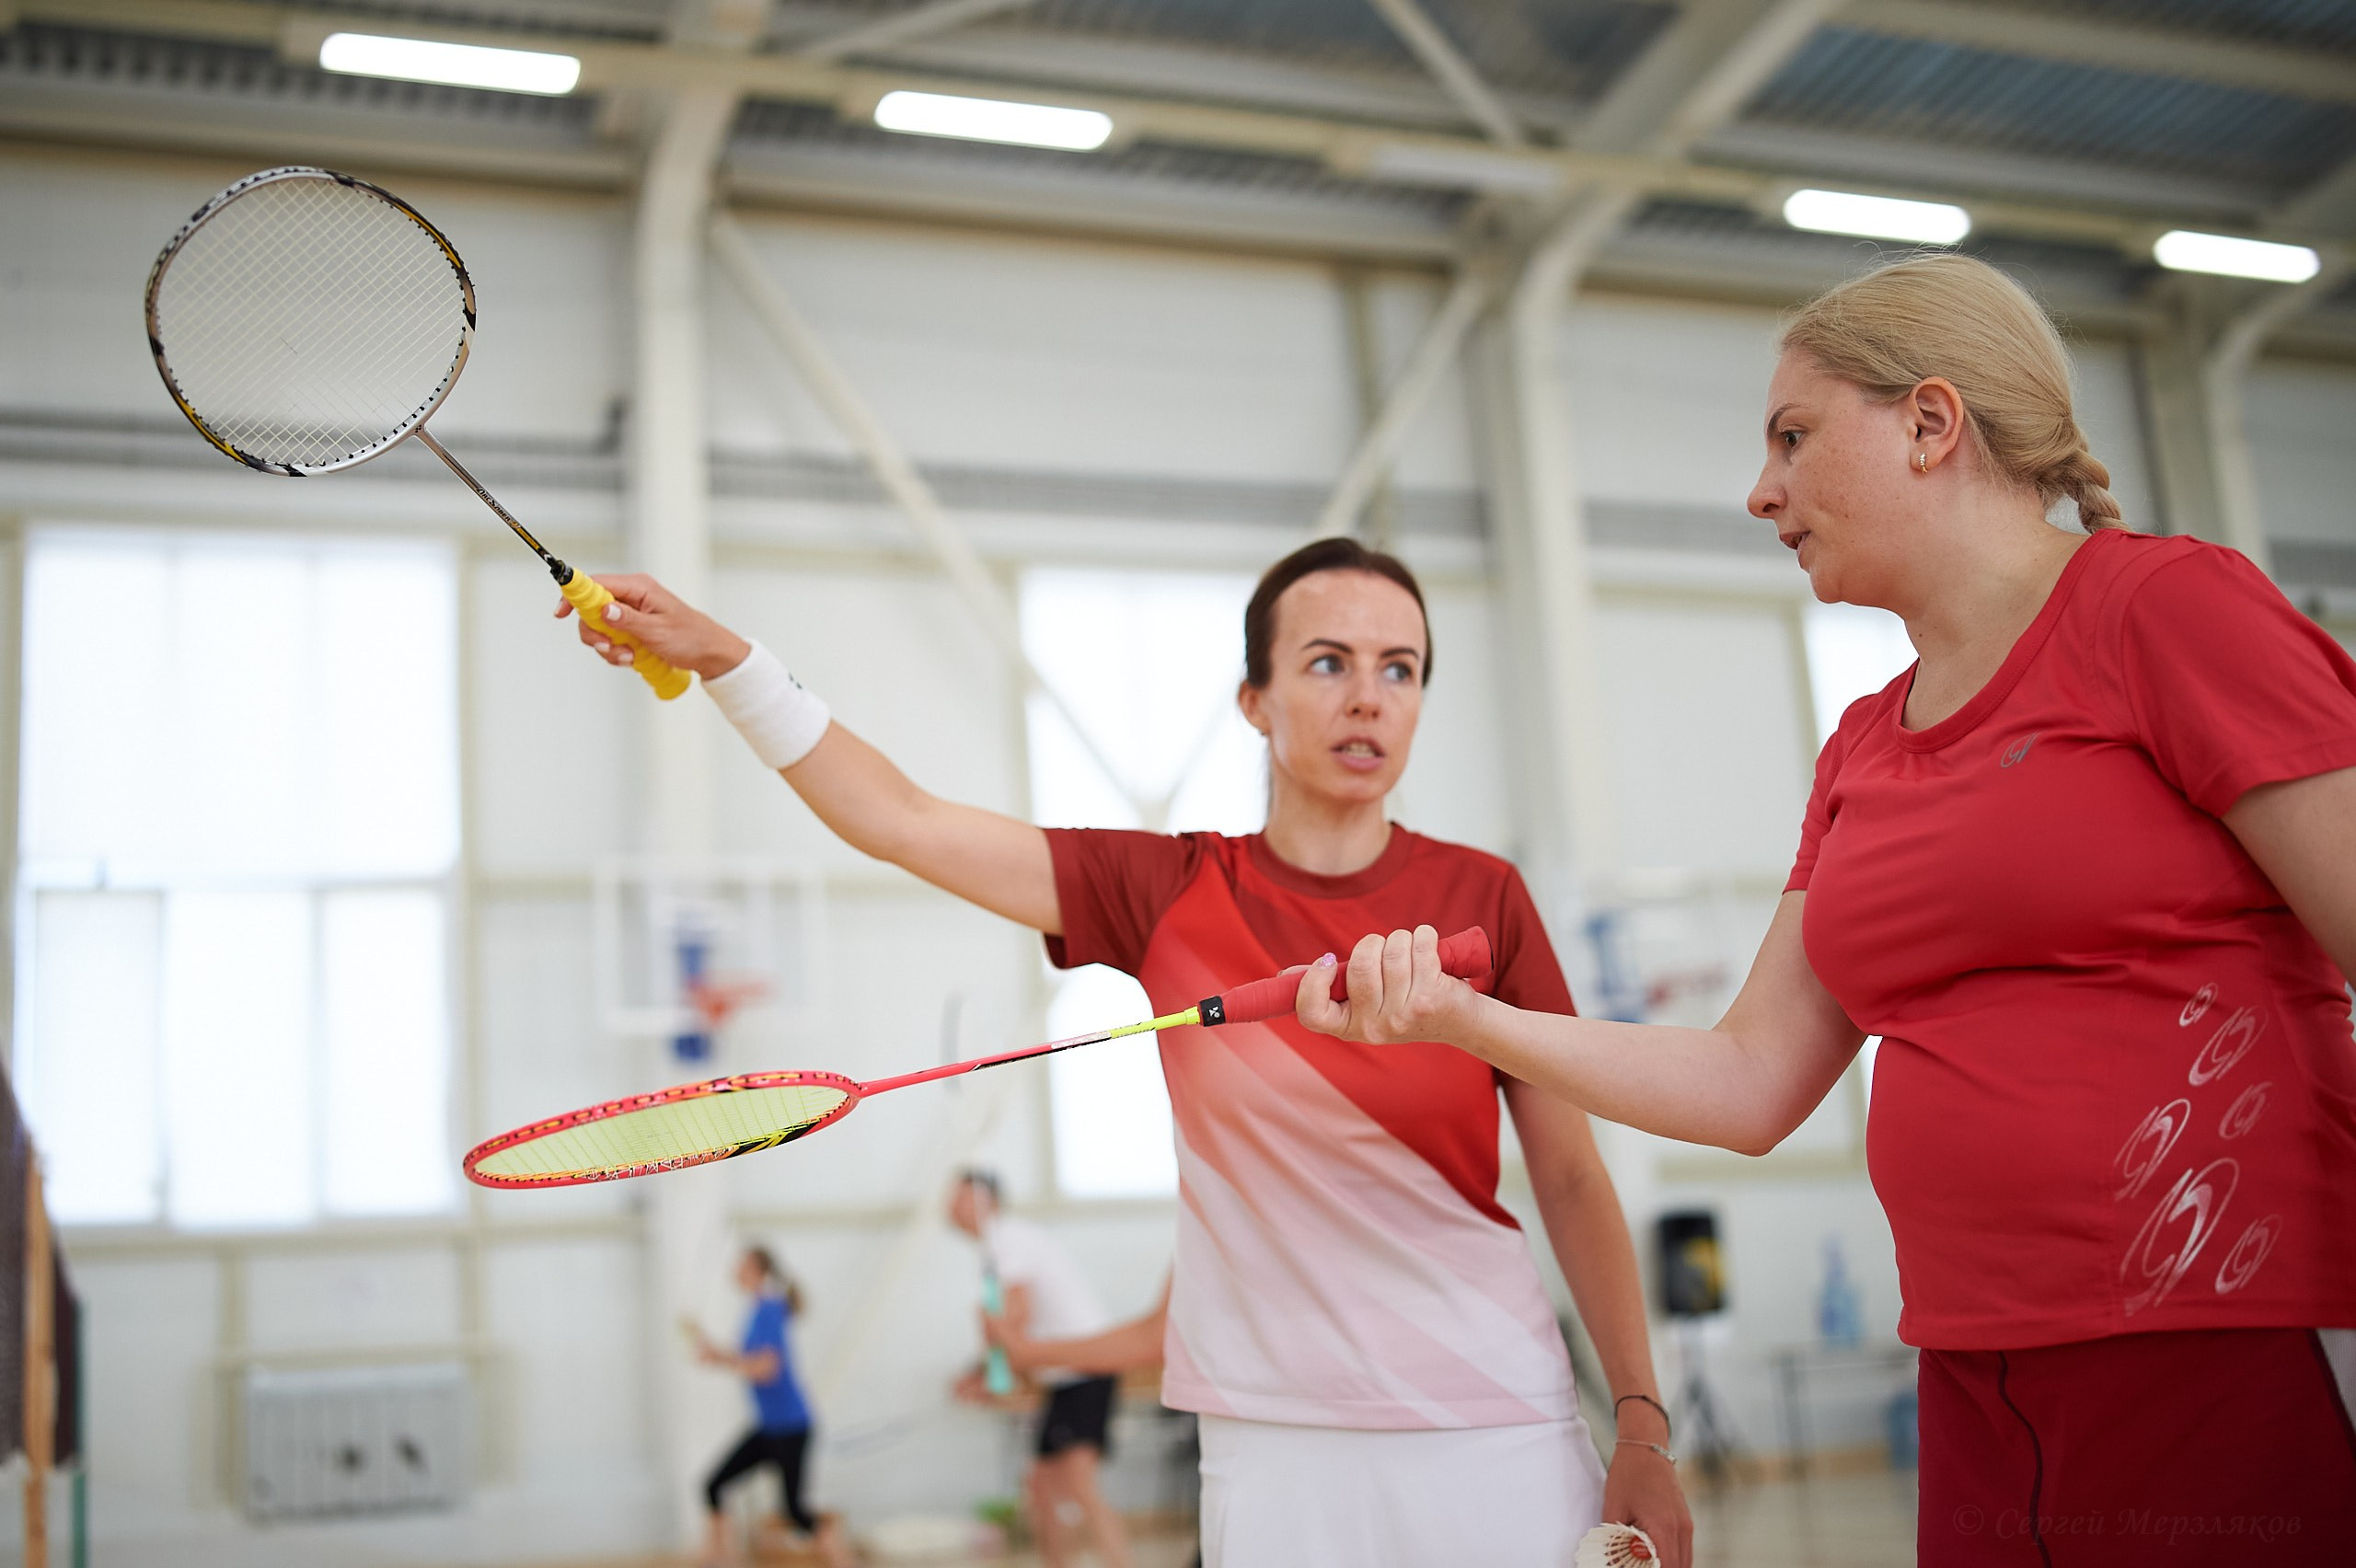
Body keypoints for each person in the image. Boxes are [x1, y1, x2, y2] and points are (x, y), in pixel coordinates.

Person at [1296, 254, 2356, 1567]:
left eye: (1793, 438)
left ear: (1929, 423)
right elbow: (1749, 1081)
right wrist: (1465, 1018)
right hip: (1972, 1371)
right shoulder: (1863, 744)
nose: (1761, 492)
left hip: (2209, 1343)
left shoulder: (2167, 610)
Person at [560, 536, 1692, 1567]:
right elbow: (899, 817)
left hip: (1490, 1406)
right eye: (1327, 663)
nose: (1367, 699)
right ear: (1253, 700)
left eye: (1400, 671)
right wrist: (722, 656)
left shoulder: (1482, 898)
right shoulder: (1165, 890)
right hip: (1269, 1430)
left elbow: (1571, 1173)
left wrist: (1640, 1414)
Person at [947, 1169, 1133, 1568]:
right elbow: (1015, 1324)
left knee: (1078, 1486)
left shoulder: (1006, 1238)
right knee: (1043, 1488)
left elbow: (1015, 1313)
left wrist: (985, 1372)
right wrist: (982, 1370)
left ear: (985, 1201)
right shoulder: (998, 1246)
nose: (949, 1206)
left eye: (957, 1197)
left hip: (1086, 1367)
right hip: (1065, 1375)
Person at [687, 1246, 850, 1568]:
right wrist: (717, 1354)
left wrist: (721, 1359)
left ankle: (843, 1560)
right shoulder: (756, 1310)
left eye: (741, 1264)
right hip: (768, 1427)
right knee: (713, 1484)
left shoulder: (771, 1308)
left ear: (757, 1270)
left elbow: (767, 1368)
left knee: (795, 1512)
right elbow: (752, 1360)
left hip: (791, 1426)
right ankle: (718, 1557)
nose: (735, 1269)